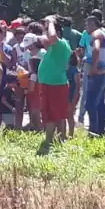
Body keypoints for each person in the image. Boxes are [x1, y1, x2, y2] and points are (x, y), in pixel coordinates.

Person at [36, 16, 73, 151]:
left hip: (56, 85)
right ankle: (50, 139)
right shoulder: (53, 47)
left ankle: (59, 139)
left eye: (48, 30)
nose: (46, 33)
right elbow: (44, 39)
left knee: (57, 114)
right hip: (48, 84)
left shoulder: (61, 44)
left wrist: (51, 22)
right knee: (50, 114)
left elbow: (51, 37)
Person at [79, 14, 105, 136]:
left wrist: (94, 68)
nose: (86, 27)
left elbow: (96, 49)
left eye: (87, 24)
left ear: (93, 24)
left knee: (90, 103)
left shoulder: (95, 35)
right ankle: (100, 130)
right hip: (104, 73)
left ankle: (93, 130)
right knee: (100, 103)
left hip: (97, 74)